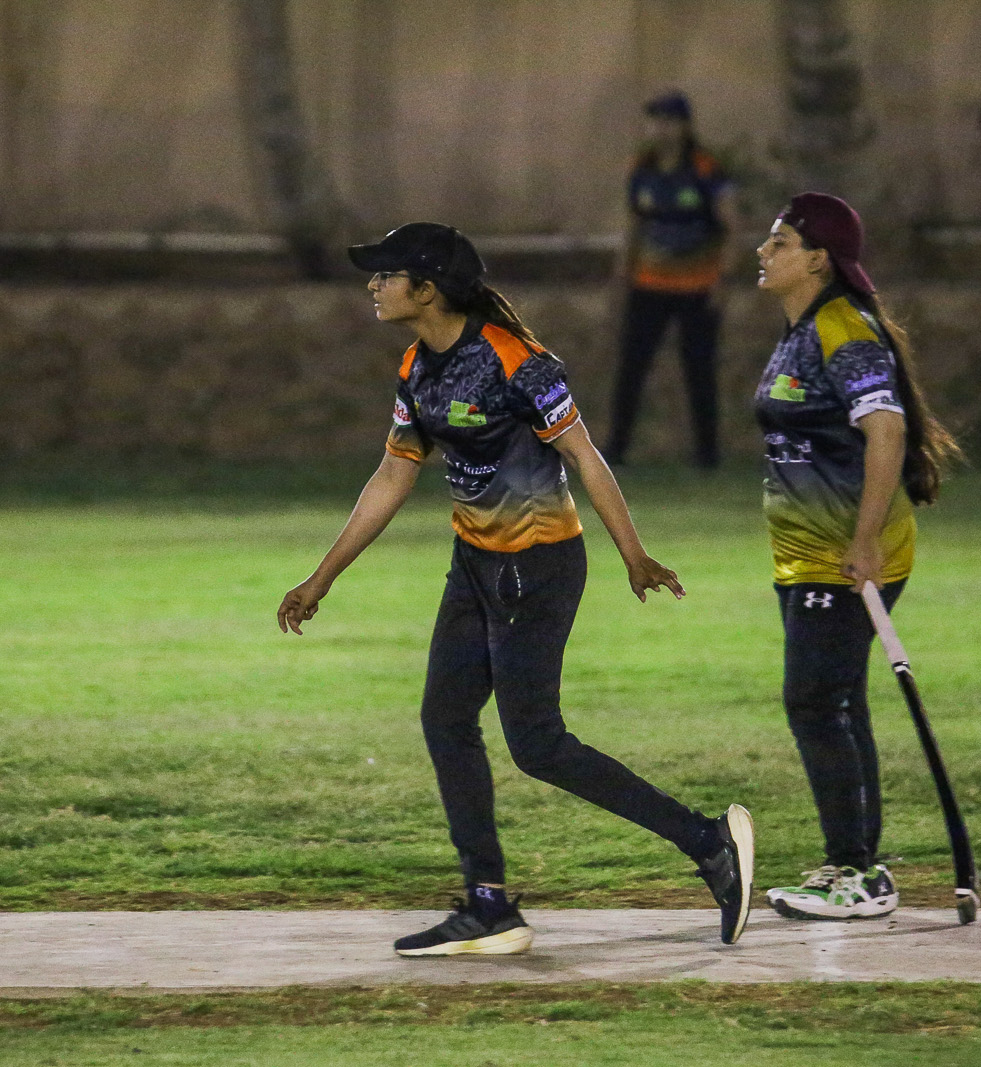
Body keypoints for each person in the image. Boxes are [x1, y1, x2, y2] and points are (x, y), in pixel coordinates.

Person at [277, 222, 754, 955]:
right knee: (445, 718)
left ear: (427, 289)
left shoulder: (516, 361)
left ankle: (709, 842)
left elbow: (585, 456)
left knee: (537, 745)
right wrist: (322, 577)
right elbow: (394, 474)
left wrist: (634, 554)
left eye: (386, 274)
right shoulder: (418, 367)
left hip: (538, 568)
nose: (373, 284)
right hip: (475, 564)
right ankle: (489, 904)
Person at [749, 193, 961, 920]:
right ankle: (860, 868)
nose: (763, 251)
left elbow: (887, 430)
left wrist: (865, 539)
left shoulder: (842, 327)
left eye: (779, 242)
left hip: (845, 559)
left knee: (813, 701)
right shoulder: (801, 330)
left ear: (818, 260)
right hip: (804, 556)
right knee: (836, 701)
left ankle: (856, 872)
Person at [604, 91, 742, 469]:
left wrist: (723, 280)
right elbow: (633, 226)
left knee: (699, 369)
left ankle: (707, 456)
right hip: (649, 285)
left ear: (684, 126)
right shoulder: (642, 168)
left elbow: (731, 227)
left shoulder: (705, 170)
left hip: (697, 287)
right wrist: (621, 275)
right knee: (632, 367)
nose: (661, 129)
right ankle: (616, 450)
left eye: (669, 121)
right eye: (655, 121)